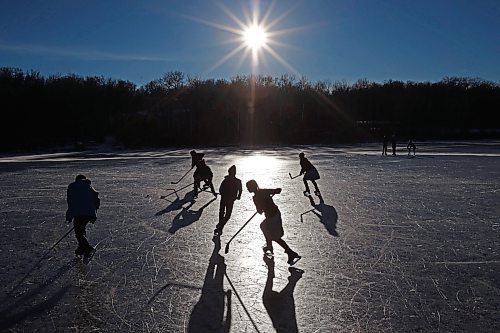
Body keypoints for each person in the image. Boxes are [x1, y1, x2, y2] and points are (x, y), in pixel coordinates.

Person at [246, 180, 301, 265]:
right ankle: (270, 246)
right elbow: (278, 190)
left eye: (248, 187)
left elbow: (260, 211)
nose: (247, 189)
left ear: (252, 187)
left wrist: (261, 207)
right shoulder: (263, 191)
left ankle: (290, 252)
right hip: (275, 214)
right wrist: (272, 193)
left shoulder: (256, 198)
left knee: (274, 236)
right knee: (264, 226)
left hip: (272, 217)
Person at [65, 174, 100, 257]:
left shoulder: (72, 187)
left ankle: (88, 248)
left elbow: (71, 202)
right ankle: (81, 248)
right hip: (89, 213)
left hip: (79, 213)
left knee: (79, 232)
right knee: (81, 229)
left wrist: (69, 216)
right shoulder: (89, 187)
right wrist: (94, 214)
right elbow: (97, 199)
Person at [214, 165, 242, 236]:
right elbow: (240, 190)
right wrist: (238, 196)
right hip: (230, 199)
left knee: (222, 213)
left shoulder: (226, 180)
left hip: (224, 198)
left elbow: (221, 188)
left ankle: (220, 226)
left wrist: (221, 192)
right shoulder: (237, 181)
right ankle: (220, 227)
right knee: (227, 214)